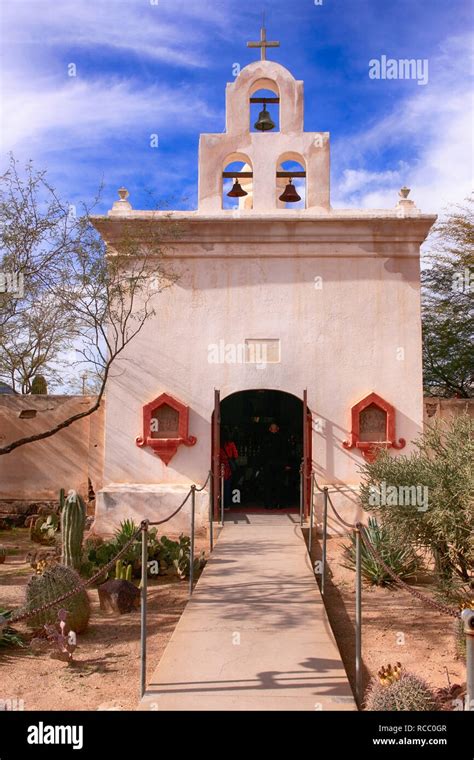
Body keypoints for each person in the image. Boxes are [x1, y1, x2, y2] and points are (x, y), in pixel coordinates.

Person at [263, 422, 285, 509]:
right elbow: (284, 452)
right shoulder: (282, 438)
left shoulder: (266, 439)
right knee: (278, 485)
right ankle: (278, 503)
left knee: (268, 485)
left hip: (269, 465)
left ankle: (268, 504)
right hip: (278, 465)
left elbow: (263, 453)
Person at [219, 429, 238, 509]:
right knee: (227, 487)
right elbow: (236, 455)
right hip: (228, 467)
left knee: (219, 486)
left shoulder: (218, 444)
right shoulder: (231, 444)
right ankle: (226, 504)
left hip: (219, 467)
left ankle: (219, 504)